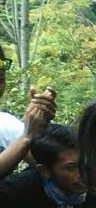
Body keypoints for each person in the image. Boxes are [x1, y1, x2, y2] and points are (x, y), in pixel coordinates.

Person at [0, 46, 57, 178]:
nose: (1, 68)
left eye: (2, 62)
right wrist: (27, 137)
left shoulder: (5, 123)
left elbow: (48, 165)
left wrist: (41, 125)